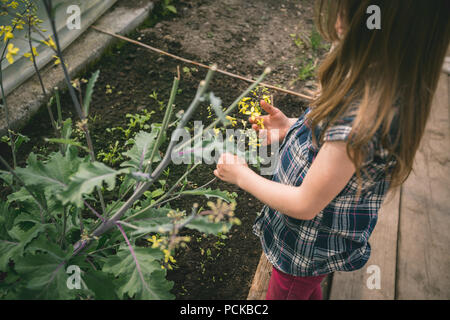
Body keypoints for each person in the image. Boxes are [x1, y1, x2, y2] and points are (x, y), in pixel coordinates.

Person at [213, 0, 450, 300]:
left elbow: (304, 204)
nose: (338, 22)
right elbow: (327, 145)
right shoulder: (375, 77)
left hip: (303, 247)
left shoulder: (361, 119)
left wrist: (241, 175)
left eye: (349, 12)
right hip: (309, 245)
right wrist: (288, 127)